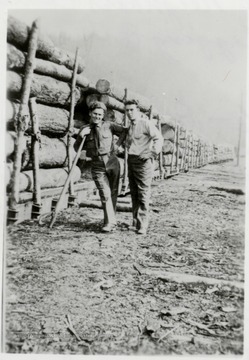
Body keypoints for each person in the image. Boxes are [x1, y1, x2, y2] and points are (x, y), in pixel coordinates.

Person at [74, 101, 127, 232]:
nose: (97, 117)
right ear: (90, 114)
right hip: (97, 164)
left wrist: (118, 145)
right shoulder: (85, 129)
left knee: (113, 193)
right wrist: (81, 137)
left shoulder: (109, 125)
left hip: (112, 161)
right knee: (105, 193)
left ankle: (109, 220)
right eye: (95, 114)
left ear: (103, 115)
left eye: (100, 114)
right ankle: (110, 223)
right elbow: (76, 148)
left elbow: (124, 131)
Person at [124, 100, 163, 235]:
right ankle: (135, 222)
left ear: (138, 111)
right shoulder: (131, 126)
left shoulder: (145, 123)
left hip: (143, 162)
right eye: (127, 110)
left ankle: (143, 225)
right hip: (132, 160)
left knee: (143, 193)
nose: (129, 113)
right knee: (134, 192)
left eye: (132, 110)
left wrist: (151, 153)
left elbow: (159, 138)